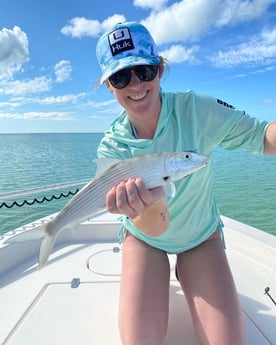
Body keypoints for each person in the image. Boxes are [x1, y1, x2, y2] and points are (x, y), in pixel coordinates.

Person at [95, 21, 276, 345]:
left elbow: (262, 137)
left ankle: (187, 269)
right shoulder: (112, 148)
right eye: (121, 76)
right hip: (145, 239)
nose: (135, 84)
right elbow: (154, 226)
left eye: (144, 71)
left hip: (200, 237)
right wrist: (148, 205)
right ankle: (162, 269)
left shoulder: (198, 109)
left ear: (160, 69)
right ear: (109, 85)